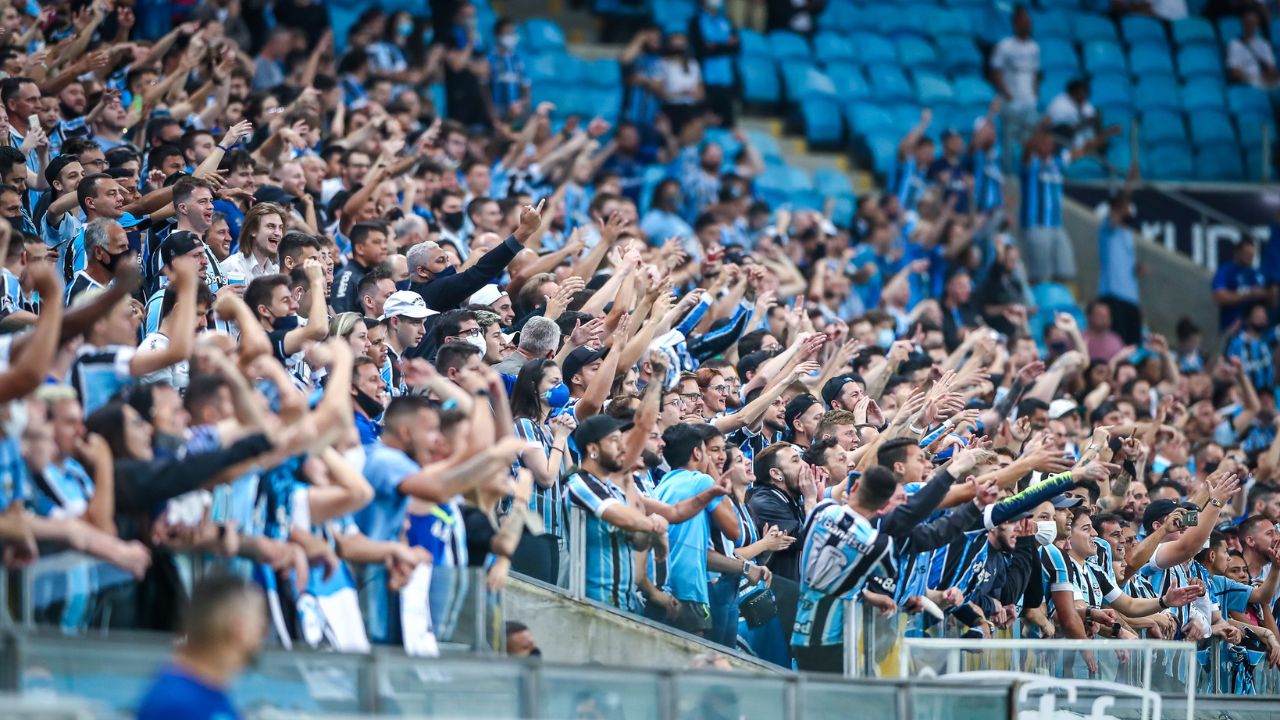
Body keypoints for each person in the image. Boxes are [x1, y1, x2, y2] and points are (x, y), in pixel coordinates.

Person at [136, 574, 265, 720]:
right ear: (238, 628)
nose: (261, 636)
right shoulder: (176, 705)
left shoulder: (207, 692)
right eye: (260, 623)